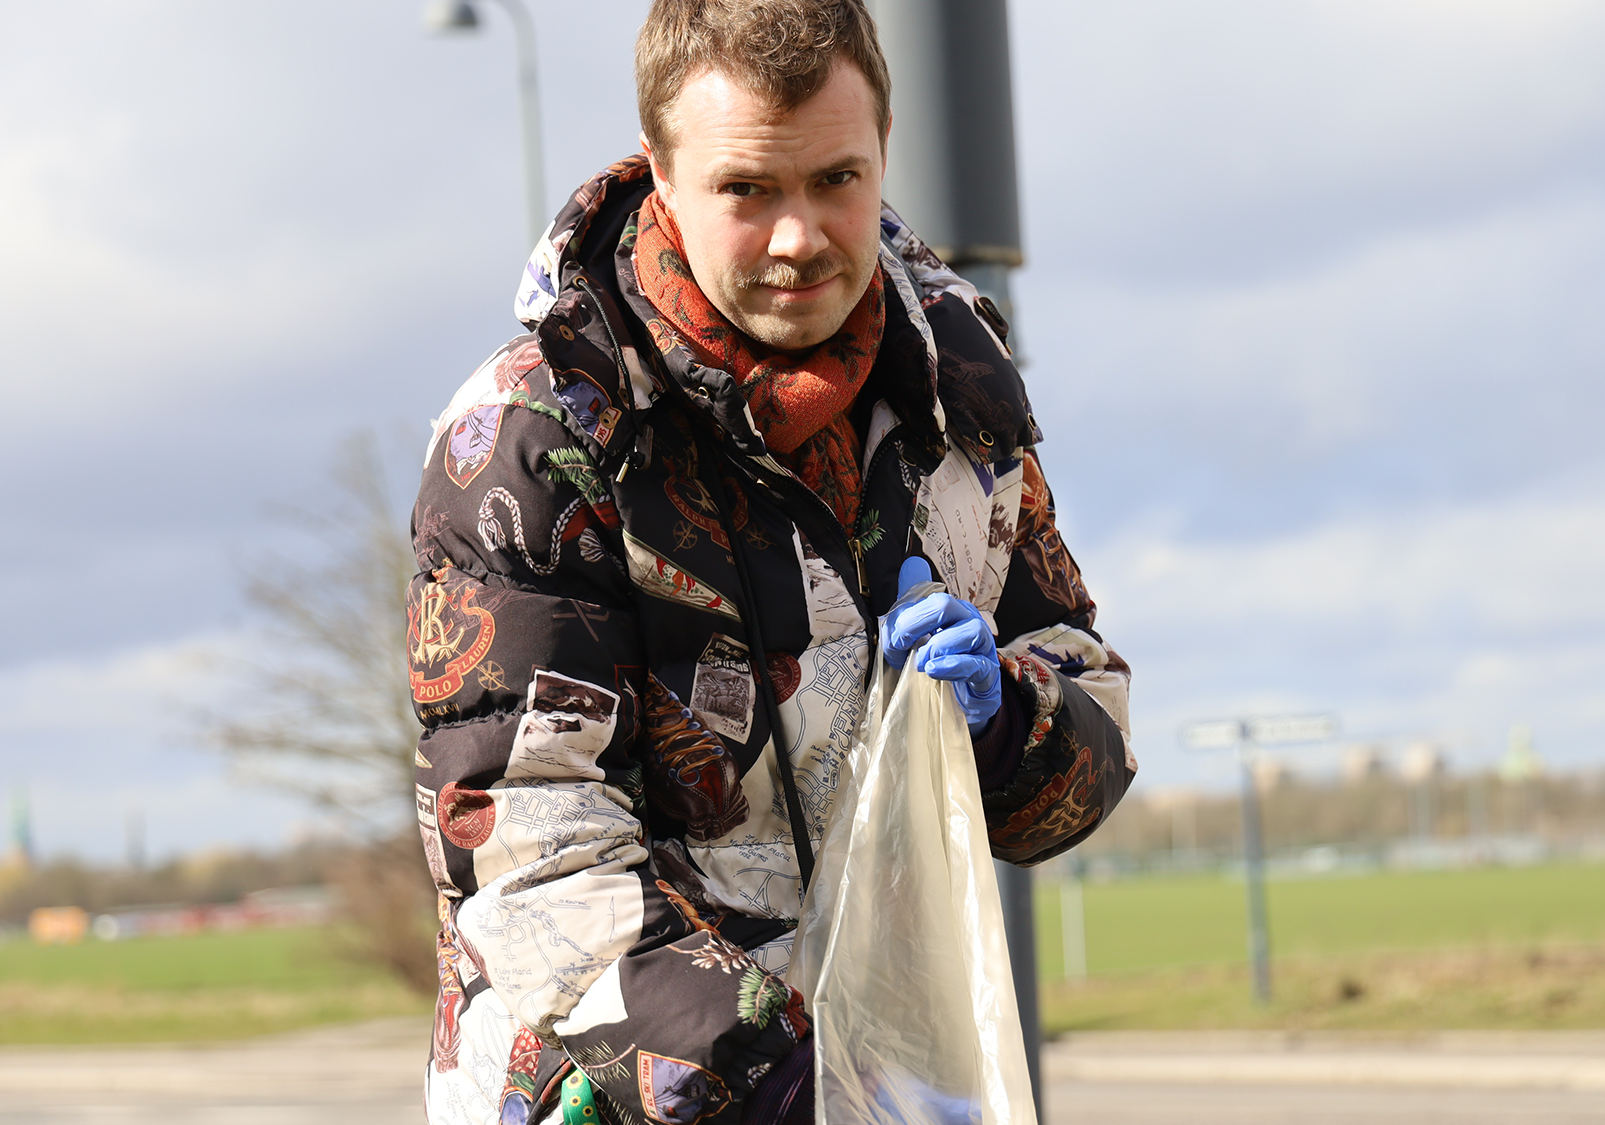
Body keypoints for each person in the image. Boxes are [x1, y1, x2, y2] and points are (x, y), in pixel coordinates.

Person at [407, 2, 1134, 1122]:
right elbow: (535, 867)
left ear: (884, 141)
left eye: (835, 179)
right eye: (747, 190)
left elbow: (1081, 731)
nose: (799, 237)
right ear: (662, 170)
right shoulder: (536, 441)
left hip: (892, 1072)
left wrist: (999, 720)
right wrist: (800, 1088)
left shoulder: (954, 392)